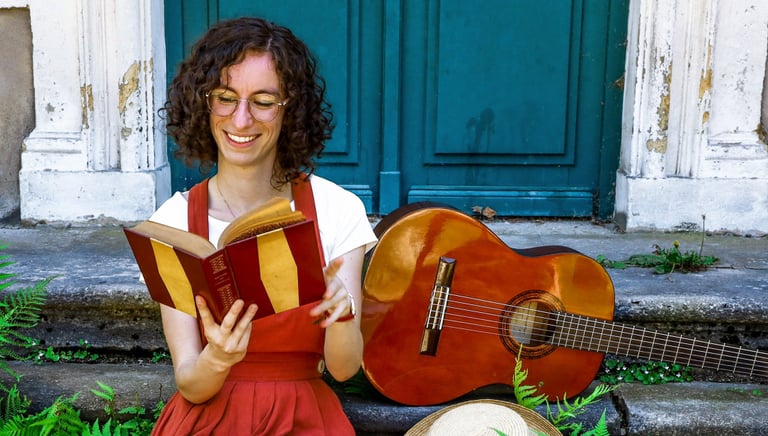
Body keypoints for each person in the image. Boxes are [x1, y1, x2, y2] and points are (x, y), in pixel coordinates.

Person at [148, 16, 377, 435]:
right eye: (225, 97)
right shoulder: (173, 222)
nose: (241, 120)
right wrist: (217, 357)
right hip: (208, 420)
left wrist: (342, 317)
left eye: (263, 101)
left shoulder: (336, 209)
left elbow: (344, 371)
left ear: (291, 110)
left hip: (304, 418)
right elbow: (190, 383)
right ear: (203, 102)